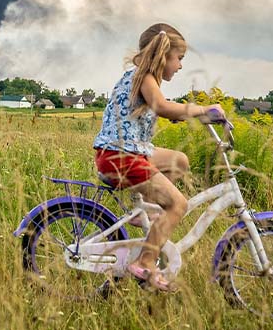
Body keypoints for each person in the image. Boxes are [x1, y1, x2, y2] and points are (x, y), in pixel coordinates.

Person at [92, 23, 225, 292]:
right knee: (178, 205)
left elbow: (152, 108)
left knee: (180, 160)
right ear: (163, 55)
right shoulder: (145, 78)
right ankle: (146, 262)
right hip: (122, 158)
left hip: (124, 152)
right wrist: (203, 110)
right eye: (179, 59)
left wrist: (178, 114)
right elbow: (162, 106)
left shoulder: (138, 76)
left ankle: (142, 213)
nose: (180, 66)